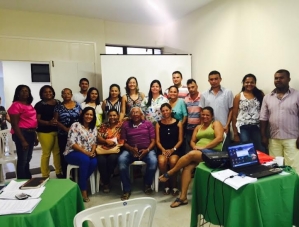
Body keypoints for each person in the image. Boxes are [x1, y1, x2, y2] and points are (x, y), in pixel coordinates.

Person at [159, 107, 223, 208]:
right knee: (187, 167)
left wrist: (203, 148)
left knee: (191, 154)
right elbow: (192, 141)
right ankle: (183, 197)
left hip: (214, 154)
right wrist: (194, 147)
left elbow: (219, 138)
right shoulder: (198, 127)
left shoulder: (216, 124)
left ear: (212, 116)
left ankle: (170, 172)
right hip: (199, 153)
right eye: (203, 114)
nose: (205, 117)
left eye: (207, 115)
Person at [260, 69, 299, 172]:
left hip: (293, 139)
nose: (278, 80)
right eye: (276, 78)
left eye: (281, 78)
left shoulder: (297, 95)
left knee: (293, 168)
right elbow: (263, 118)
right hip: (274, 139)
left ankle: (294, 188)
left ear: (288, 79)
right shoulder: (268, 97)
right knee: (275, 168)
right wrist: (264, 136)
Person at [118, 106, 157, 200]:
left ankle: (147, 184)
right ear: (130, 115)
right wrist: (131, 149)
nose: (135, 114)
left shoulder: (148, 124)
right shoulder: (126, 125)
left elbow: (153, 141)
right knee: (121, 161)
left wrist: (147, 150)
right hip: (130, 151)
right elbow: (123, 142)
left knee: (153, 162)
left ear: (141, 114)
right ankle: (126, 189)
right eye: (133, 113)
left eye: (137, 112)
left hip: (147, 150)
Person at [64, 107, 98, 202]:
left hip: (87, 153)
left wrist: (92, 152)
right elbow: (72, 143)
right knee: (85, 160)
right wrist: (86, 153)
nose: (89, 116)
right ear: (83, 114)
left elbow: (94, 142)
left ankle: (79, 184)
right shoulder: (75, 125)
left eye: (91, 114)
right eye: (87, 114)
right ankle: (84, 190)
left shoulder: (93, 128)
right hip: (72, 153)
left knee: (94, 162)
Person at [7, 85, 39, 179]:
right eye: (22, 91)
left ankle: (27, 178)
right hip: (21, 133)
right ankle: (21, 180)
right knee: (23, 160)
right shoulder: (16, 105)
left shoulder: (29, 105)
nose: (25, 93)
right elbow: (14, 125)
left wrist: (35, 136)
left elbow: (32, 121)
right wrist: (22, 140)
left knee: (28, 158)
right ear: (17, 93)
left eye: (27, 91)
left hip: (30, 133)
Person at [199, 71, 233, 150]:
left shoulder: (228, 93)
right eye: (211, 79)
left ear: (220, 79)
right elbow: (201, 111)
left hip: (224, 128)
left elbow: (231, 110)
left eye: (216, 79)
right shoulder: (204, 94)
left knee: (224, 152)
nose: (214, 81)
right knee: (209, 152)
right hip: (209, 129)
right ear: (208, 81)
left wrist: (227, 125)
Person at [34, 85, 63, 178]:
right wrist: (48, 123)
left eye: (50, 91)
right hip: (44, 132)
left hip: (57, 130)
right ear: (42, 94)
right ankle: (45, 174)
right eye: (45, 92)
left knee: (57, 152)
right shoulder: (39, 105)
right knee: (46, 153)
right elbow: (37, 120)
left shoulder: (58, 102)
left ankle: (58, 171)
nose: (48, 93)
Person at [232, 74, 265, 152]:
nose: (249, 84)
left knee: (259, 147)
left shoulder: (260, 95)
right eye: (247, 82)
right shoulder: (238, 96)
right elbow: (234, 115)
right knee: (245, 147)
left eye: (252, 82)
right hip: (243, 126)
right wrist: (235, 133)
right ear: (243, 83)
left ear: (255, 83)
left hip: (256, 126)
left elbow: (263, 112)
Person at [156, 103, 183, 196]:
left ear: (171, 110)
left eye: (167, 110)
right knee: (162, 161)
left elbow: (180, 140)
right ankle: (166, 184)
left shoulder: (178, 122)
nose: (165, 112)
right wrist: (163, 150)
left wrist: (172, 150)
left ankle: (174, 184)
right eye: (163, 111)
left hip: (175, 149)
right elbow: (157, 141)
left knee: (173, 161)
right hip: (162, 149)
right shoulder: (158, 124)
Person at [54, 88, 81, 178]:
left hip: (76, 135)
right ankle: (66, 174)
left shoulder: (77, 105)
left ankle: (75, 174)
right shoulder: (58, 106)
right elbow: (55, 121)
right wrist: (66, 129)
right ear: (62, 95)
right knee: (64, 153)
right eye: (64, 94)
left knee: (75, 152)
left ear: (71, 95)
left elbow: (82, 118)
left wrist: (75, 130)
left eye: (68, 93)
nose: (66, 95)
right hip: (63, 134)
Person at [97, 109, 124, 193]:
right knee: (101, 161)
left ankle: (105, 181)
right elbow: (98, 137)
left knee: (112, 159)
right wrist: (106, 141)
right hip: (103, 148)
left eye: (114, 115)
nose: (112, 117)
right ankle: (107, 181)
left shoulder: (122, 125)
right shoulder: (104, 125)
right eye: (110, 115)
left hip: (116, 149)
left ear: (118, 116)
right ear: (108, 116)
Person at [184, 79, 201, 152]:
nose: (191, 89)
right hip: (189, 129)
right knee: (189, 151)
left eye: (193, 87)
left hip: (200, 129)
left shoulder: (203, 97)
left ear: (197, 86)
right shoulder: (186, 99)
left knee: (199, 150)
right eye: (189, 88)